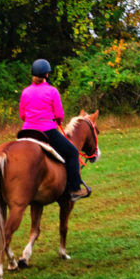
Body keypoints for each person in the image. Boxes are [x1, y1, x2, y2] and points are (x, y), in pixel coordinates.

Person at [17, 58, 90, 201]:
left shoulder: (25, 92)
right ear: (47, 75)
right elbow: (59, 115)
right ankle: (75, 189)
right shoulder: (52, 91)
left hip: (26, 132)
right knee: (72, 152)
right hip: (47, 131)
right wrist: (58, 122)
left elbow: (22, 115)